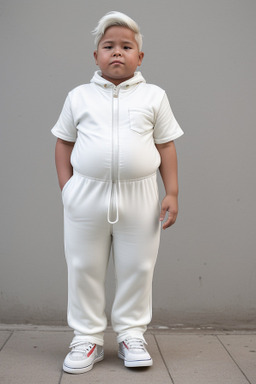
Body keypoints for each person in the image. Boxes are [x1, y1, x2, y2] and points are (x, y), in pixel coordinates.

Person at [51, 11, 184, 374]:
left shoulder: (154, 96)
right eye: (108, 46)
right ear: (95, 55)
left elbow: (166, 146)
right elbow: (64, 143)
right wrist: (69, 189)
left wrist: (171, 191)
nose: (117, 53)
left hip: (140, 197)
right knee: (83, 266)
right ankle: (87, 338)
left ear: (139, 57)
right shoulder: (78, 97)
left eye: (126, 47)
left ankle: (131, 333)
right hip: (85, 197)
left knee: (138, 266)